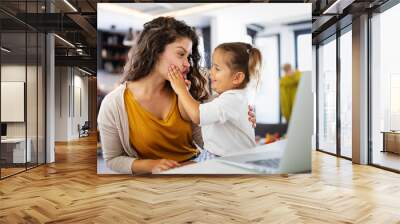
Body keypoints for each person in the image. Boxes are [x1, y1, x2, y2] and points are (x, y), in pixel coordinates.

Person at [97, 17, 256, 174]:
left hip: (195, 171)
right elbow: (113, 160)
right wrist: (151, 165)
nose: (187, 64)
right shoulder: (114, 104)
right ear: (155, 51)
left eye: (188, 56)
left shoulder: (188, 90)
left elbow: (209, 140)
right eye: (181, 54)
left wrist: (236, 122)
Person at [168, 42, 261, 159]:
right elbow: (190, 116)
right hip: (219, 156)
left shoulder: (231, 99)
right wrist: (184, 93)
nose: (210, 72)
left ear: (237, 78)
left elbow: (197, 115)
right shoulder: (228, 98)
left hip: (229, 160)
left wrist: (181, 90)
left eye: (217, 68)